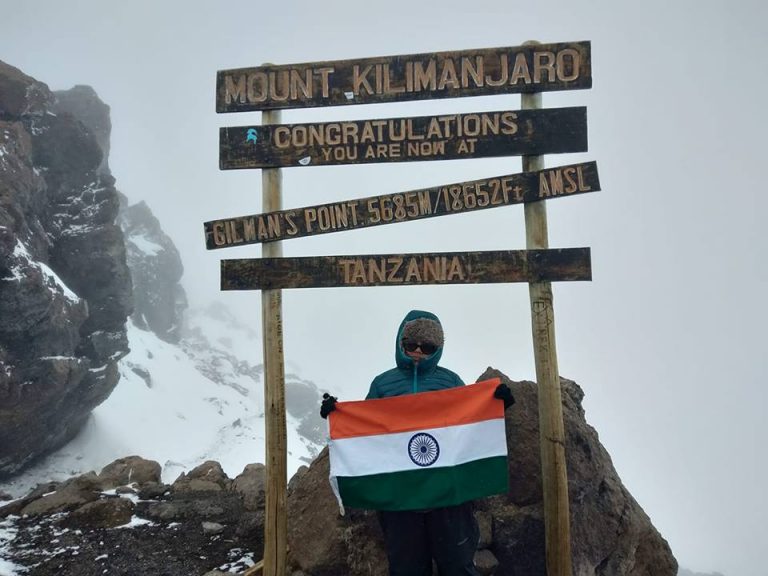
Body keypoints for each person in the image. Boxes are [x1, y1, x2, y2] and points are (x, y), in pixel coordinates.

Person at [321, 309, 515, 576]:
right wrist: (336, 414)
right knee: (406, 570)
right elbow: (366, 432)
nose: (418, 352)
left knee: (458, 565)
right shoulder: (383, 384)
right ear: (401, 343)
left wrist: (497, 405)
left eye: (427, 347)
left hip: (447, 497)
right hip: (400, 499)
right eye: (411, 345)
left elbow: (469, 423)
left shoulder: (449, 381)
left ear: (437, 349)